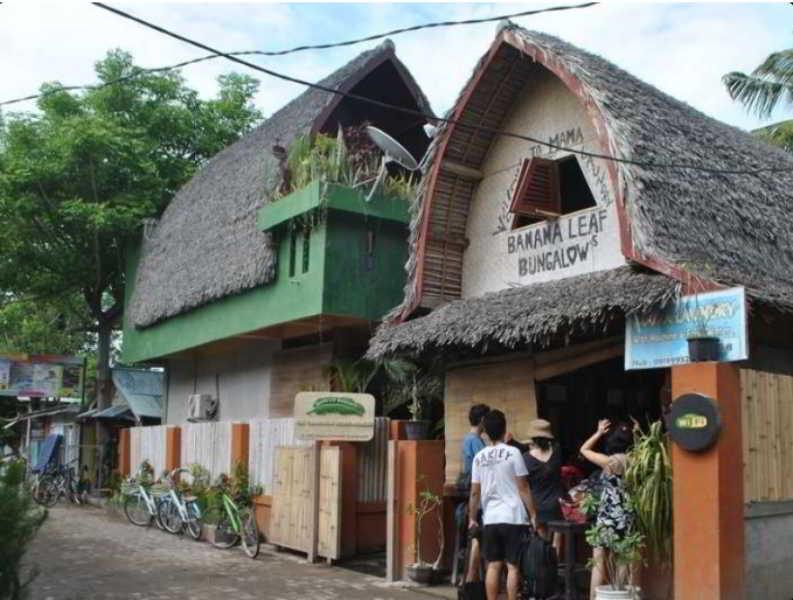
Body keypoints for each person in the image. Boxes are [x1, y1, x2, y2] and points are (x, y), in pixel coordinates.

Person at [469, 410, 537, 600]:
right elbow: (523, 487)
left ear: (486, 432)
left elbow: (475, 492)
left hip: (490, 518)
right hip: (513, 517)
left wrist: (472, 518)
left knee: (493, 565)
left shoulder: (479, 457)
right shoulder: (513, 453)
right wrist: (533, 513)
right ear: (504, 429)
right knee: (513, 566)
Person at [580, 419, 634, 600]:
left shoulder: (609, 462)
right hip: (627, 515)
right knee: (623, 560)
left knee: (599, 561)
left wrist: (599, 432)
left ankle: (595, 598)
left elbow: (584, 450)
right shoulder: (636, 462)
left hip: (607, 516)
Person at [521, 419, 564, 558]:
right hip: (557, 504)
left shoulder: (526, 458)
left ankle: (544, 572)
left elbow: (524, 484)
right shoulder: (557, 452)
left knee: (542, 543)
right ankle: (555, 569)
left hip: (537, 505)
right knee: (557, 539)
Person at [459, 403, 489, 584]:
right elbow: (484, 469)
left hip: (471, 492)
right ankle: (471, 579)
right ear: (483, 420)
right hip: (477, 493)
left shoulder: (467, 439)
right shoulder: (476, 441)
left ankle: (472, 579)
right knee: (478, 534)